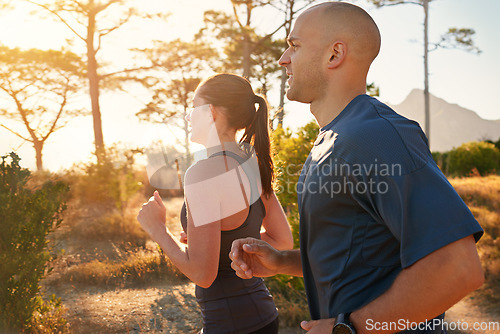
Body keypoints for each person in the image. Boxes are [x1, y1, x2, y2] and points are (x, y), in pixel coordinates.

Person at [229, 2, 484, 334]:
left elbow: (458, 268)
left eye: (294, 46)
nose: (283, 59)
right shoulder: (332, 138)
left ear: (335, 55)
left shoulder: (377, 136)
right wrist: (281, 261)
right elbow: (359, 258)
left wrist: (348, 329)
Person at [137, 73, 294, 334]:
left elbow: (202, 274)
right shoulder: (252, 164)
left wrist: (157, 230)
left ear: (210, 111)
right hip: (264, 316)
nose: (188, 116)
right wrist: (222, 246)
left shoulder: (203, 172)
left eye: (193, 108)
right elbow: (282, 241)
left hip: (231, 324)